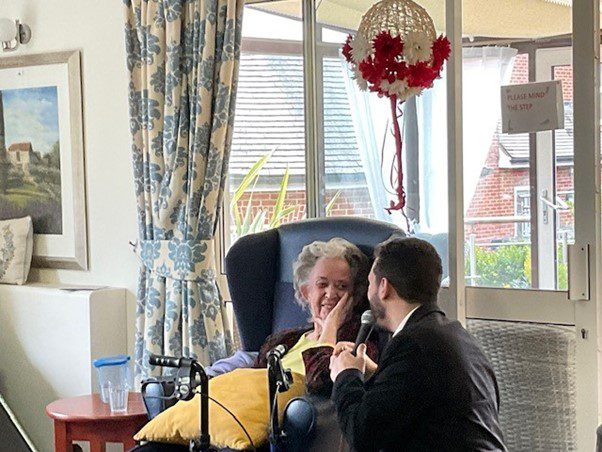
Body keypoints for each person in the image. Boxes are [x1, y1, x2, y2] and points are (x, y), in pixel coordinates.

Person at [329, 237, 506, 452]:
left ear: (383, 287)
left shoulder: (412, 344)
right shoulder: (457, 336)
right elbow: (416, 396)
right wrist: (373, 372)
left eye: (370, 283)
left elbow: (363, 435)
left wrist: (346, 375)